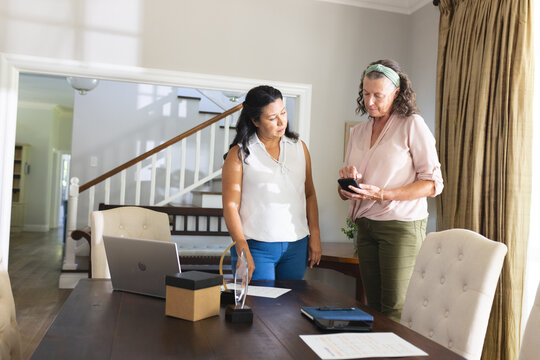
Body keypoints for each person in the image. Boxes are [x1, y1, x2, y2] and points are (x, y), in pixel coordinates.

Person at [338, 59, 443, 321]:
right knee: (373, 307)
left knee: (395, 308)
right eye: (365, 93)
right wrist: (347, 185)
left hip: (401, 226)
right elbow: (345, 193)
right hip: (365, 226)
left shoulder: (412, 125)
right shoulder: (359, 132)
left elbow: (432, 184)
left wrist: (383, 195)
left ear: (397, 93)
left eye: (378, 95)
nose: (370, 102)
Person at [222, 85, 322, 282]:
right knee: (258, 309)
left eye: (283, 112)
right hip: (256, 247)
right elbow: (230, 206)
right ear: (254, 120)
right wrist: (241, 245)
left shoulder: (300, 148)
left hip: (297, 246)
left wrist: (315, 234)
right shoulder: (239, 154)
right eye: (271, 118)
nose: (281, 121)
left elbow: (309, 194)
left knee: (290, 308)